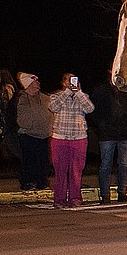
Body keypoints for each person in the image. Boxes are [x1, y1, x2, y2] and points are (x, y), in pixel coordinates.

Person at [89, 81, 127, 204]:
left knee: (124, 164)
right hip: (107, 134)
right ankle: (105, 195)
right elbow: (93, 111)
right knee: (105, 165)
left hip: (125, 133)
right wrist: (101, 126)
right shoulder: (101, 91)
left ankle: (122, 193)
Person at [48, 73, 94, 208]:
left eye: (74, 81)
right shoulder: (56, 96)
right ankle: (59, 199)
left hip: (78, 138)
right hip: (60, 138)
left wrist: (78, 93)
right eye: (69, 81)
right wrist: (68, 92)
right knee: (60, 171)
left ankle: (75, 198)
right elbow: (53, 107)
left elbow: (90, 108)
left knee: (76, 171)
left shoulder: (83, 97)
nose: (72, 83)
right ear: (64, 83)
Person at [13, 72, 52, 192]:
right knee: (29, 160)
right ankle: (27, 181)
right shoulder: (20, 98)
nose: (38, 84)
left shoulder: (45, 97)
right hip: (28, 135)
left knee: (43, 160)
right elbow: (15, 115)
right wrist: (25, 126)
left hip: (44, 135)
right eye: (35, 82)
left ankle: (42, 182)